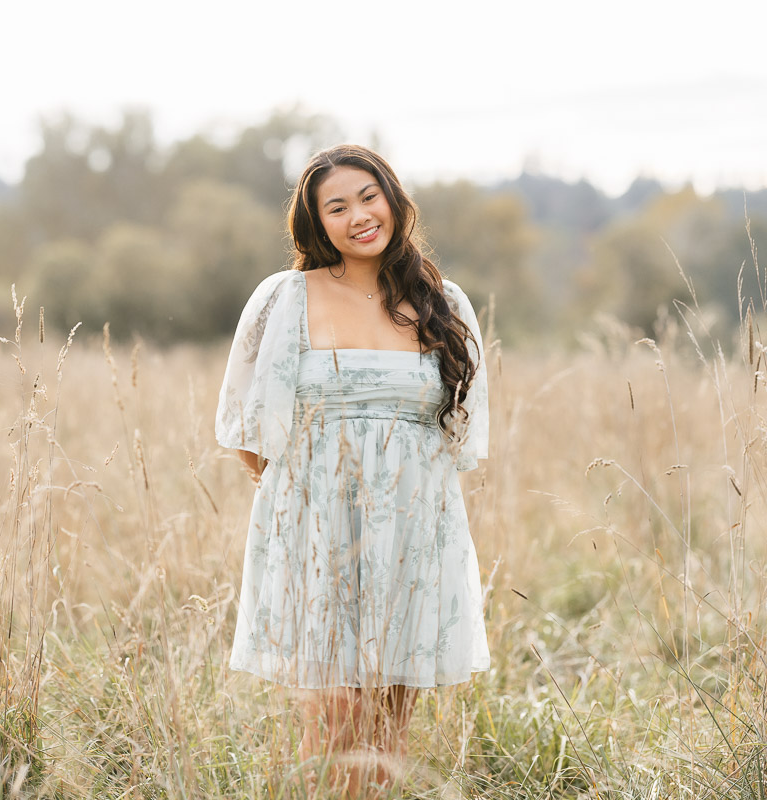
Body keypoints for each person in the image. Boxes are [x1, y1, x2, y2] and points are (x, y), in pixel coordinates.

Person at [214, 144, 490, 795]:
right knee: (334, 714)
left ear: (393, 200)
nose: (358, 215)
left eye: (368, 197)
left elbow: (461, 435)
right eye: (336, 207)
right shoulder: (283, 298)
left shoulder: (441, 302)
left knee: (388, 726)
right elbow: (245, 425)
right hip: (314, 531)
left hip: (414, 534)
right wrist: (304, 497)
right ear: (316, 224)